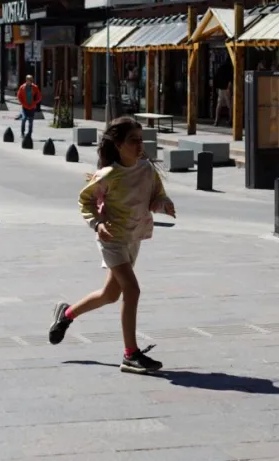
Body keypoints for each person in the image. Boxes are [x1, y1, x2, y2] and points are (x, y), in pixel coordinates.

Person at [48, 117, 176, 374]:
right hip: (111, 239)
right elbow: (84, 201)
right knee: (132, 289)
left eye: (141, 140)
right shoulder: (109, 175)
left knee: (111, 294)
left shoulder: (147, 170)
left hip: (133, 238)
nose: (140, 145)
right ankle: (131, 354)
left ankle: (67, 315)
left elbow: (156, 194)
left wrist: (165, 204)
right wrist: (97, 225)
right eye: (133, 141)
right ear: (118, 145)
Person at [16, 74, 42, 139]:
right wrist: (23, 104)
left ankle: (29, 134)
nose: (29, 81)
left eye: (31, 80)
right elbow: (19, 97)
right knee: (24, 119)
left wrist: (35, 103)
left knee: (31, 121)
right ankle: (22, 133)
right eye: (28, 80)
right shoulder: (22, 87)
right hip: (25, 107)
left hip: (32, 107)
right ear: (26, 80)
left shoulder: (35, 87)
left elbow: (39, 97)